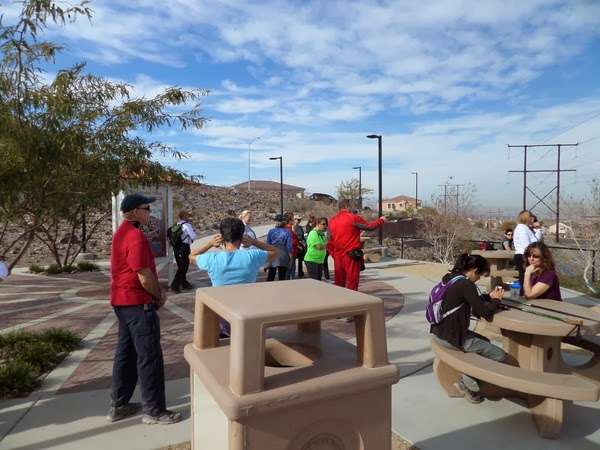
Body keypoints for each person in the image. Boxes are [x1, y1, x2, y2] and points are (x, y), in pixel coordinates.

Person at [108, 193, 181, 425]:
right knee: (149, 356)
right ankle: (155, 411)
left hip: (122, 302)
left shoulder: (121, 234)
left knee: (126, 354)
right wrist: (157, 295)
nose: (150, 211)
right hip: (138, 303)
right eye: (146, 208)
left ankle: (119, 404)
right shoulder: (135, 237)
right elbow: (144, 275)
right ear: (133, 212)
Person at [430, 254, 506, 404]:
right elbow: (484, 314)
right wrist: (497, 300)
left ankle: (469, 377)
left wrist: (487, 297)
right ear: (474, 270)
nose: (479, 279)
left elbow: (463, 300)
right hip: (453, 337)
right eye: (480, 275)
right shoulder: (466, 284)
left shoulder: (450, 278)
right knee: (499, 355)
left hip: (439, 331)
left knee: (485, 340)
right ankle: (468, 385)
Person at [190, 217, 278, 335]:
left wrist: (209, 244)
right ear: (241, 236)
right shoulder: (252, 256)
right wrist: (254, 242)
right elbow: (275, 252)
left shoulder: (211, 259)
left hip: (221, 315)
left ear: (221, 236)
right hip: (247, 315)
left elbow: (191, 256)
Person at [328, 199, 385, 291]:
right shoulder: (353, 218)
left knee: (339, 281)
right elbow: (369, 227)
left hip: (338, 255)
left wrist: (333, 254)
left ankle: (338, 300)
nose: (353, 208)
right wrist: (381, 220)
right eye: (352, 206)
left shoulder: (332, 221)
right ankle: (353, 301)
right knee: (352, 281)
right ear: (347, 206)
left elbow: (329, 240)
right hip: (351, 255)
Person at [170, 210, 197, 293]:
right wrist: (194, 231)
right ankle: (175, 285)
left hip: (176, 248)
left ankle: (184, 283)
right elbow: (193, 236)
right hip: (184, 247)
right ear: (184, 216)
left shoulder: (177, 224)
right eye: (188, 216)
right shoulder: (187, 225)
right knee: (183, 267)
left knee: (181, 266)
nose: (189, 217)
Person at [512, 210, 538, 294]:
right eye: (531, 216)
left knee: (525, 277)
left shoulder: (525, 228)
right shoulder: (522, 229)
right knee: (525, 277)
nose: (533, 218)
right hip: (523, 256)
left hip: (525, 255)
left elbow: (537, 240)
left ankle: (527, 293)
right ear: (527, 218)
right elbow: (526, 245)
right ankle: (525, 294)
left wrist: (538, 229)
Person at [265, 215, 292, 281]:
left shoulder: (271, 231)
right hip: (283, 253)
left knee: (271, 275)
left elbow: (268, 244)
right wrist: (290, 257)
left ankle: (268, 289)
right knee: (282, 276)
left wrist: (267, 258)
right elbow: (289, 246)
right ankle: (281, 290)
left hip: (273, 253)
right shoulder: (287, 232)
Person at [284, 212, 299, 279]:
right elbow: (291, 240)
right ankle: (290, 282)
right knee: (290, 268)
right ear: (289, 220)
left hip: (293, 250)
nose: (294, 220)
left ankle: (291, 280)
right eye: (292, 218)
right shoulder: (287, 228)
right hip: (290, 251)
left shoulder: (291, 228)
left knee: (292, 267)